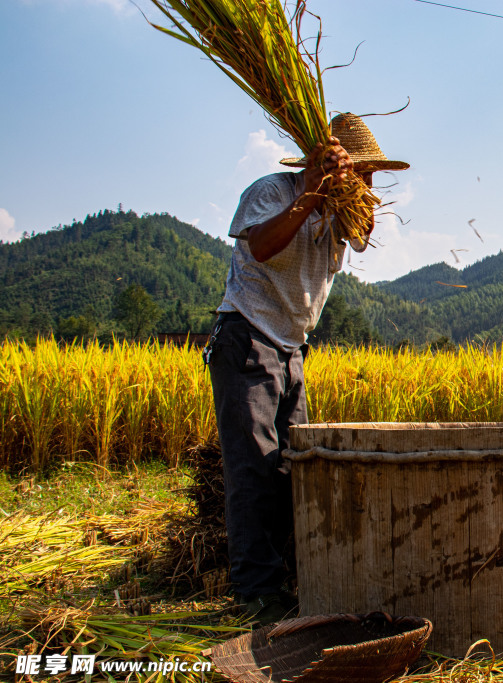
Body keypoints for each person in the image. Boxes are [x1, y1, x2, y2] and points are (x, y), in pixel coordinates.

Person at [205, 113, 409, 624]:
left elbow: (362, 232)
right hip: (248, 338)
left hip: (293, 348)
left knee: (294, 466)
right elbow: (261, 245)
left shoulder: (343, 210)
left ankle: (295, 576)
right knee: (252, 468)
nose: (367, 186)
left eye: (371, 177)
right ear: (323, 164)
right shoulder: (274, 192)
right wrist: (313, 192)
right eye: (362, 174)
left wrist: (345, 196)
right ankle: (256, 593)